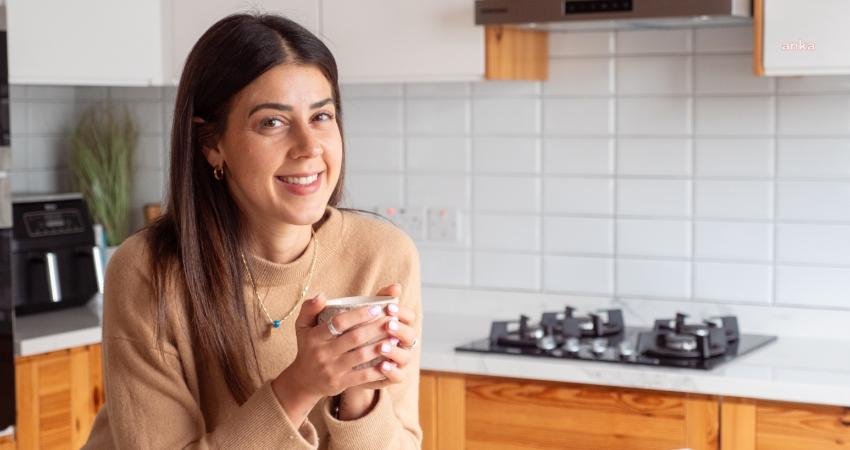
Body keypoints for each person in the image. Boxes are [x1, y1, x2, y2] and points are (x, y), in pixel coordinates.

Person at [83, 13, 422, 449]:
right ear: (211, 145)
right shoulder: (149, 270)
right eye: (272, 123)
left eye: (321, 116)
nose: (309, 147)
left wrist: (357, 391)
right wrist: (300, 387)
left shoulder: (382, 256)